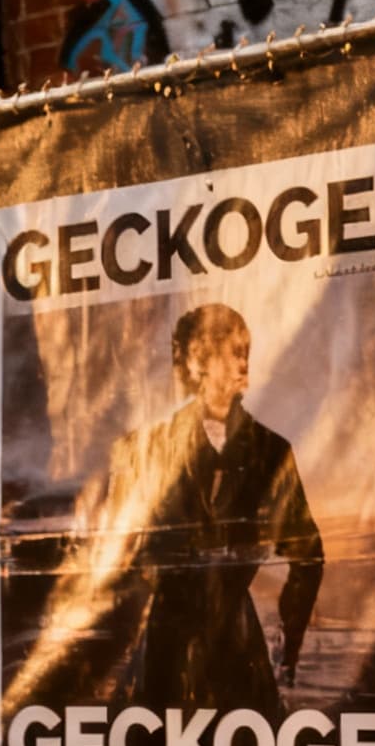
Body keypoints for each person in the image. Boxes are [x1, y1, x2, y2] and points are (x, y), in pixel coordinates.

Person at [99, 302, 324, 716]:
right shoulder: (140, 450)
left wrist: (288, 648)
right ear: (197, 361)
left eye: (246, 351)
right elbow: (116, 560)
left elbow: (308, 554)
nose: (244, 363)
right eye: (231, 352)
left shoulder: (272, 451)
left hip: (238, 653)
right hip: (160, 655)